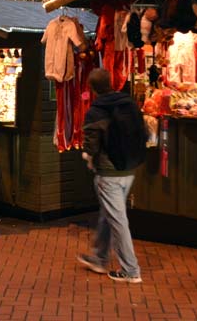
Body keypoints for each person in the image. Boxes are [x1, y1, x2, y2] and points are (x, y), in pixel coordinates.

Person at [76, 69, 147, 284]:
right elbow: (144, 132)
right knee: (109, 214)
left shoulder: (96, 111)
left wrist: (88, 156)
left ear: (93, 88)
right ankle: (99, 258)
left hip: (109, 172)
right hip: (129, 168)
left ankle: (131, 270)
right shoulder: (129, 103)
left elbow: (91, 143)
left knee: (118, 220)